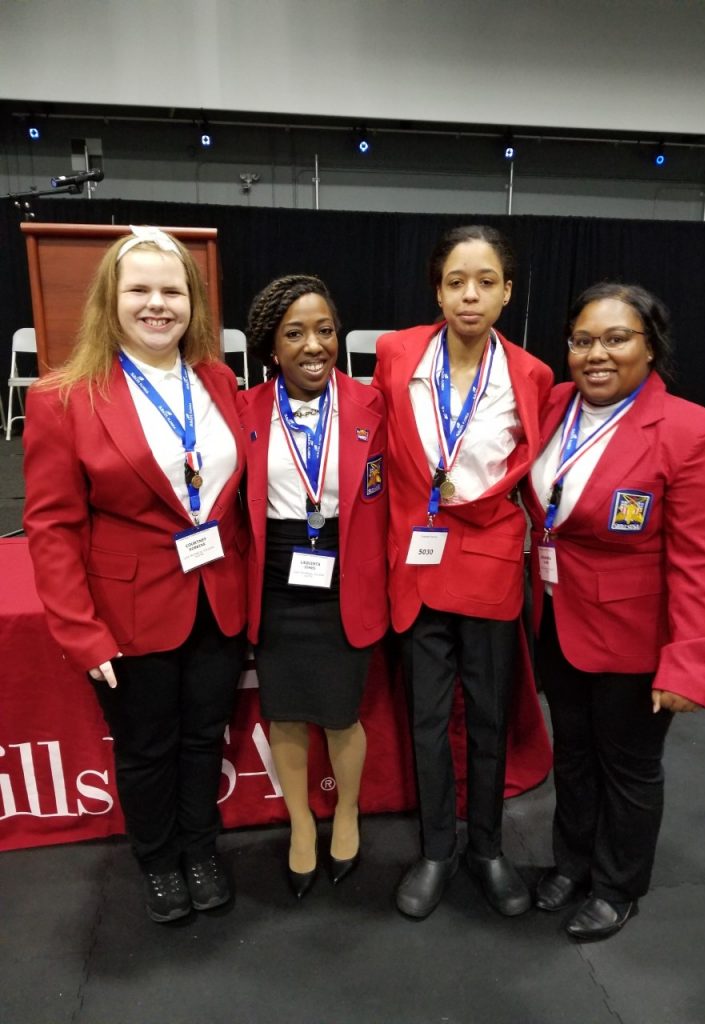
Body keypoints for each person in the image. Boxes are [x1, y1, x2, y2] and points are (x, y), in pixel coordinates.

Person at [23, 226, 248, 923]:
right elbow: (53, 529)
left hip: (216, 601)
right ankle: (158, 861)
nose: (158, 305)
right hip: (126, 616)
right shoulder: (63, 397)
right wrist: (82, 635)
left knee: (204, 739)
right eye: (141, 290)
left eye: (172, 290)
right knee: (148, 750)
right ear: (111, 300)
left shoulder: (217, 379)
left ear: (193, 302)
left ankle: (201, 848)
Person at [522, 282, 705, 941]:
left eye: (616, 339)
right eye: (583, 340)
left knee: (629, 766)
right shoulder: (553, 405)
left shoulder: (694, 432)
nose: (596, 354)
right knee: (575, 755)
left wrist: (689, 662)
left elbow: (701, 561)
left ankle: (618, 886)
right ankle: (573, 863)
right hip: (554, 621)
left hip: (633, 638)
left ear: (651, 347)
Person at [373, 224, 553, 919]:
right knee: (425, 719)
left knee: (487, 718)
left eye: (485, 282)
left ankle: (487, 847)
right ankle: (436, 849)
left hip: (489, 563)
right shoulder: (395, 354)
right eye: (455, 281)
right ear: (437, 289)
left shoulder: (532, 375)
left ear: (507, 292)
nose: (469, 295)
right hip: (417, 559)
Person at [239, 274, 388, 899]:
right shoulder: (244, 410)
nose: (313, 345)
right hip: (274, 576)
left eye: (325, 330)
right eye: (294, 333)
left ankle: (346, 813)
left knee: (340, 713)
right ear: (272, 347)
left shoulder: (374, 406)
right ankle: (302, 823)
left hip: (345, 572)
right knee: (286, 714)